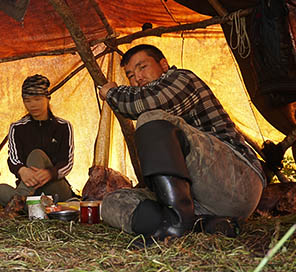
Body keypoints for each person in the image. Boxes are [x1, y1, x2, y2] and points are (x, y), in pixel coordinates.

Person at [97, 44, 265, 240]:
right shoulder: (152, 101)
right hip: (197, 201)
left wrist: (112, 93)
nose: (137, 79)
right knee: (112, 203)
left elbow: (147, 103)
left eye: (142, 67)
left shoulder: (183, 79)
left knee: (150, 117)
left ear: (164, 65)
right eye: (131, 75)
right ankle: (200, 224)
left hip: (236, 181)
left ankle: (175, 226)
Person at [0, 74, 74, 209]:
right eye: (27, 100)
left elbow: (68, 162)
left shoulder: (63, 126)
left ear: (47, 98)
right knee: (0, 190)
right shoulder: (17, 128)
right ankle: (31, 207)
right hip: (30, 190)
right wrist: (22, 170)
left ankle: (17, 205)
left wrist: (50, 173)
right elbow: (13, 159)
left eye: (37, 99)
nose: (32, 105)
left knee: (37, 155)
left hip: (55, 190)